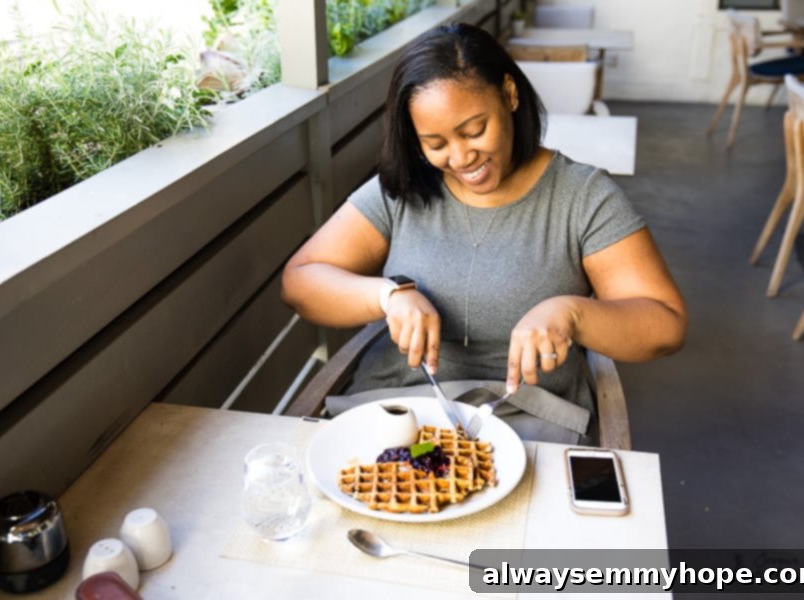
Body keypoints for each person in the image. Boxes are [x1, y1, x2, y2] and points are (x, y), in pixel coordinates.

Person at [282, 23, 687, 440]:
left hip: (530, 421)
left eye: (474, 130)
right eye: (435, 143)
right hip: (399, 414)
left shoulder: (582, 197)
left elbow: (665, 324)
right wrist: (386, 296)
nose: (460, 157)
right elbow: (299, 281)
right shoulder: (404, 190)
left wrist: (573, 314)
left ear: (510, 95)